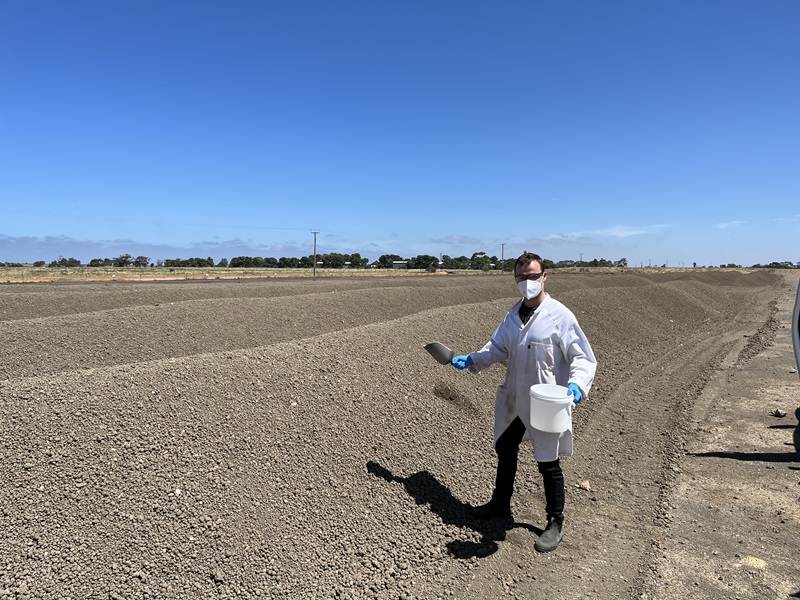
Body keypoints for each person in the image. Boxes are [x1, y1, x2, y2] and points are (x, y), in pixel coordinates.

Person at [451, 251, 597, 553]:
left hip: (545, 399)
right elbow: (497, 347)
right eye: (521, 278)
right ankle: (500, 504)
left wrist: (577, 384)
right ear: (515, 280)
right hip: (516, 398)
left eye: (532, 276)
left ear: (544, 276)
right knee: (505, 449)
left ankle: (555, 521)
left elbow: (582, 356)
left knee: (548, 461)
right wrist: (473, 360)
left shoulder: (560, 315)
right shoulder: (512, 315)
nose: (527, 282)